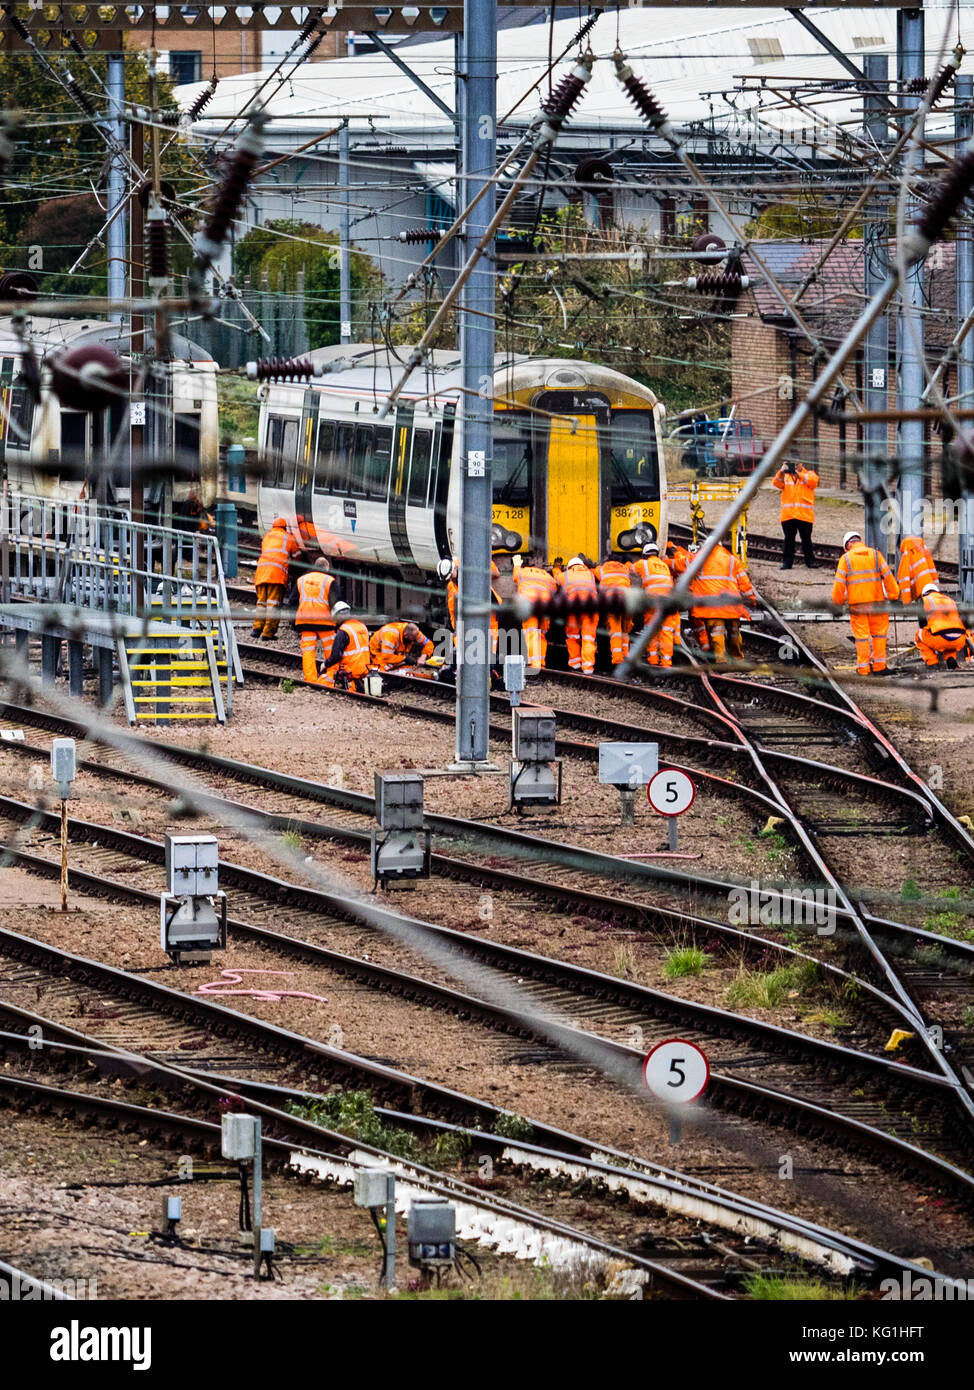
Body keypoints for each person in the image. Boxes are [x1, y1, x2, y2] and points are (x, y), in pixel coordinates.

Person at [831, 530, 899, 676]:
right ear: (859, 540)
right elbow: (888, 576)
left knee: (861, 637)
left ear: (848, 544)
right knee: (879, 635)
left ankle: (864, 668)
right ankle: (880, 666)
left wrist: (839, 601)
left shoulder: (846, 559)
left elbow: (839, 584)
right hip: (878, 604)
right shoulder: (875, 555)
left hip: (858, 605)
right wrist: (894, 594)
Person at [688, 541, 756, 664]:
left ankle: (721, 661)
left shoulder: (699, 558)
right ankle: (738, 658)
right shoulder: (732, 559)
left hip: (712, 606)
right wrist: (751, 600)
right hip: (732, 605)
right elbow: (744, 582)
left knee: (717, 632)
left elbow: (681, 565)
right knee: (734, 632)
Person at [293, 557, 341, 684]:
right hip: (325, 622)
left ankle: (310, 680)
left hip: (305, 622)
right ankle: (330, 679)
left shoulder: (301, 580)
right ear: (326, 567)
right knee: (330, 650)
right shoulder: (329, 581)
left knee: (308, 651)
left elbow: (292, 601)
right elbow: (335, 603)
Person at [252, 516, 302, 640]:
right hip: (276, 575)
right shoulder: (288, 537)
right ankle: (267, 633)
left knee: (261, 603)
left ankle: (257, 629)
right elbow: (297, 556)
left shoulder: (267, 537)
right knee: (273, 604)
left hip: (261, 573)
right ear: (284, 527)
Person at [631, 542, 679, 668]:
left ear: (645, 555)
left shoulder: (643, 564)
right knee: (666, 631)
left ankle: (652, 659)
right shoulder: (664, 565)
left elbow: (630, 569)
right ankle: (666, 662)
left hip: (652, 602)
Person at [512, 552, 558, 671]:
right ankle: (541, 661)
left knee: (532, 633)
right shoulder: (547, 575)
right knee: (541, 634)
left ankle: (534, 663)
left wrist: (517, 564)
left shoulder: (522, 572)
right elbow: (554, 588)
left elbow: (515, 576)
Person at [773, 459, 819, 569]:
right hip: (788, 515)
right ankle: (787, 563)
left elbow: (813, 482)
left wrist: (798, 474)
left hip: (804, 515)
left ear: (801, 464)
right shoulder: (785, 476)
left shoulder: (809, 474)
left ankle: (810, 562)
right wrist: (781, 471)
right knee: (788, 540)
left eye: (796, 464)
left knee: (806, 539)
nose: (794, 466)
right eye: (792, 464)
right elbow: (776, 483)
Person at [914, 583, 972, 671]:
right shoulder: (950, 600)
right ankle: (950, 658)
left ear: (924, 593)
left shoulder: (923, 600)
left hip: (940, 638)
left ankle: (932, 663)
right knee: (950, 635)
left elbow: (922, 624)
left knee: (919, 634)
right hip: (959, 639)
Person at [320, 601, 373, 690]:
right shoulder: (362, 626)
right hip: (365, 670)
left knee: (323, 680)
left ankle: (351, 685)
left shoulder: (343, 631)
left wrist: (325, 664)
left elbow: (336, 656)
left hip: (350, 672)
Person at [560, 555, 598, 673]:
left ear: (569, 567)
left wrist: (556, 568)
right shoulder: (590, 574)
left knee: (572, 637)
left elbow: (556, 578)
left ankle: (575, 664)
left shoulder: (565, 575)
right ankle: (588, 668)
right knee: (588, 638)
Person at [666, 541, 706, 652]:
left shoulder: (687, 560)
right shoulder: (690, 556)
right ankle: (706, 647)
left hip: (691, 595)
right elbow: (679, 551)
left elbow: (676, 563)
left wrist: (664, 560)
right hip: (701, 595)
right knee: (699, 623)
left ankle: (706, 647)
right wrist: (673, 546)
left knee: (697, 622)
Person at [594, 553, 632, 666]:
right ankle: (626, 656)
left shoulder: (602, 569)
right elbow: (630, 565)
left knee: (615, 631)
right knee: (625, 630)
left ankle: (617, 659)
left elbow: (593, 571)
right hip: (627, 602)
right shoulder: (625, 569)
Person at [370, 620, 434, 671]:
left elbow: (429, 643)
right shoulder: (391, 635)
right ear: (406, 635)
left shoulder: (414, 632)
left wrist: (423, 657)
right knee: (384, 668)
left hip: (393, 653)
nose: (416, 640)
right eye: (413, 639)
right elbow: (386, 657)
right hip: (378, 653)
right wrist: (404, 658)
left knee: (404, 667)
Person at [897, 535, 939, 605]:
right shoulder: (924, 550)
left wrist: (906, 602)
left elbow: (904, 580)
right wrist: (937, 590)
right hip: (931, 590)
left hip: (920, 593)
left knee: (923, 612)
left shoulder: (907, 553)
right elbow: (933, 571)